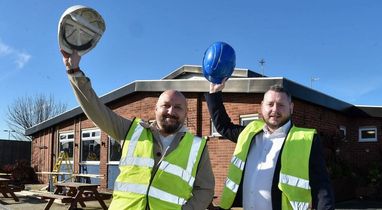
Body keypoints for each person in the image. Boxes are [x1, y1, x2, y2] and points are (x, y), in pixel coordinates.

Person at [61, 50, 215, 210]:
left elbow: (205, 189)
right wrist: (74, 72)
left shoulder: (197, 148)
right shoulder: (130, 131)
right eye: (166, 105)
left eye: (178, 107)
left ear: (185, 113)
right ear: (155, 109)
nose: (171, 111)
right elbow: (97, 110)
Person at [205, 79, 334, 210]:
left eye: (281, 105)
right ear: (262, 106)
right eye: (270, 104)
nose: (275, 109)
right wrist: (215, 93)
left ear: (291, 107)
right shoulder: (250, 132)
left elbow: (321, 187)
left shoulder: (306, 140)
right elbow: (223, 126)